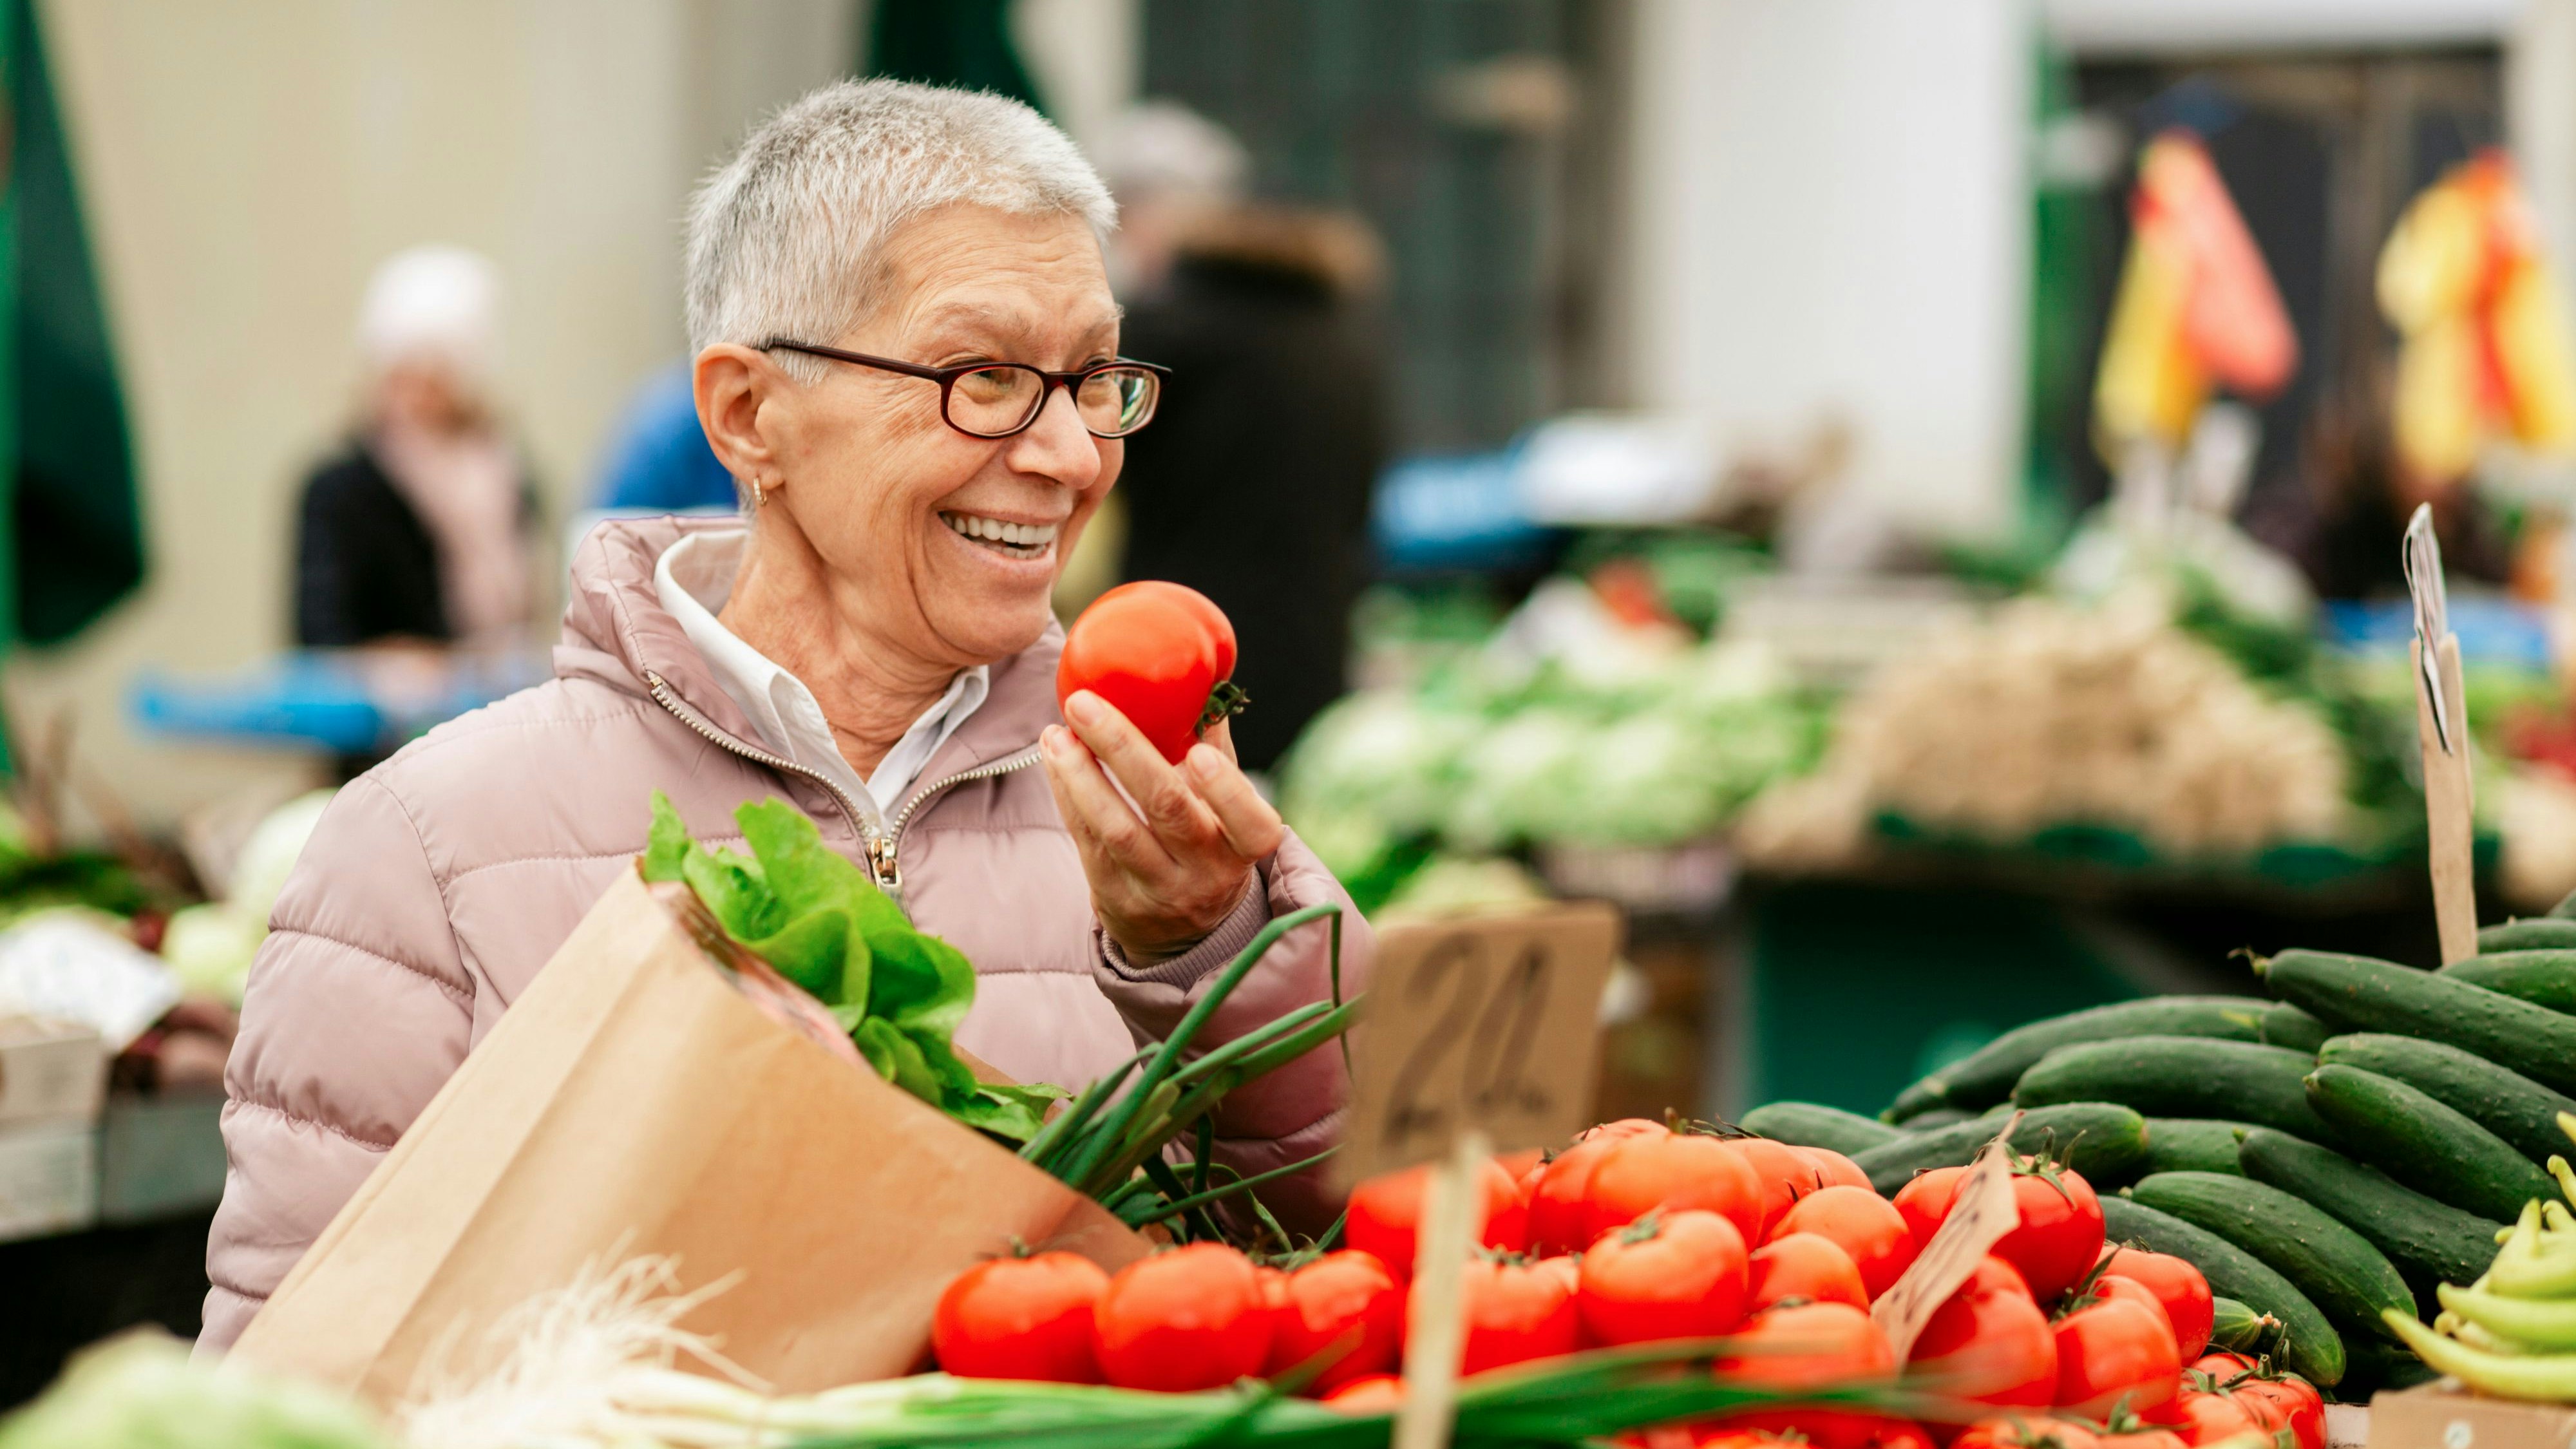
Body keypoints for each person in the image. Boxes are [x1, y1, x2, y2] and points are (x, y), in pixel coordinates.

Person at [199, 80, 1369, 1351]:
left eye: (1093, 380)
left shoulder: (1160, 825)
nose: (1071, 455)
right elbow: (284, 1394)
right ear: (751, 416)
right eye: (983, 376)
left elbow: (1347, 1267)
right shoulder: (424, 852)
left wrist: (1215, 954)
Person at [1097, 104, 1390, 772]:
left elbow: (1095, 463)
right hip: (1317, 656)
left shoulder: (1167, 334)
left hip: (1180, 660)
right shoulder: (1338, 334)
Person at [292, 246, 540, 649]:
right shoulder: (342, 489)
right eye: (403, 375)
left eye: (433, 380)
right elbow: (320, 632)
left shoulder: (507, 474)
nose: (415, 399)